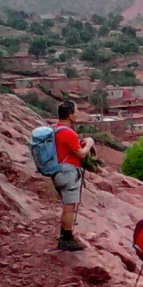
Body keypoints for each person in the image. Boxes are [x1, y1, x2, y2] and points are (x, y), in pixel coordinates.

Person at [52, 100, 94, 251]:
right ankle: (66, 239)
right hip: (67, 172)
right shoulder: (67, 132)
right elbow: (82, 154)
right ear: (71, 116)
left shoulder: (57, 129)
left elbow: (70, 149)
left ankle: (66, 236)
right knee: (69, 207)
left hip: (60, 171)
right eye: (76, 111)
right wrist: (89, 143)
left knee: (68, 205)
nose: (77, 114)